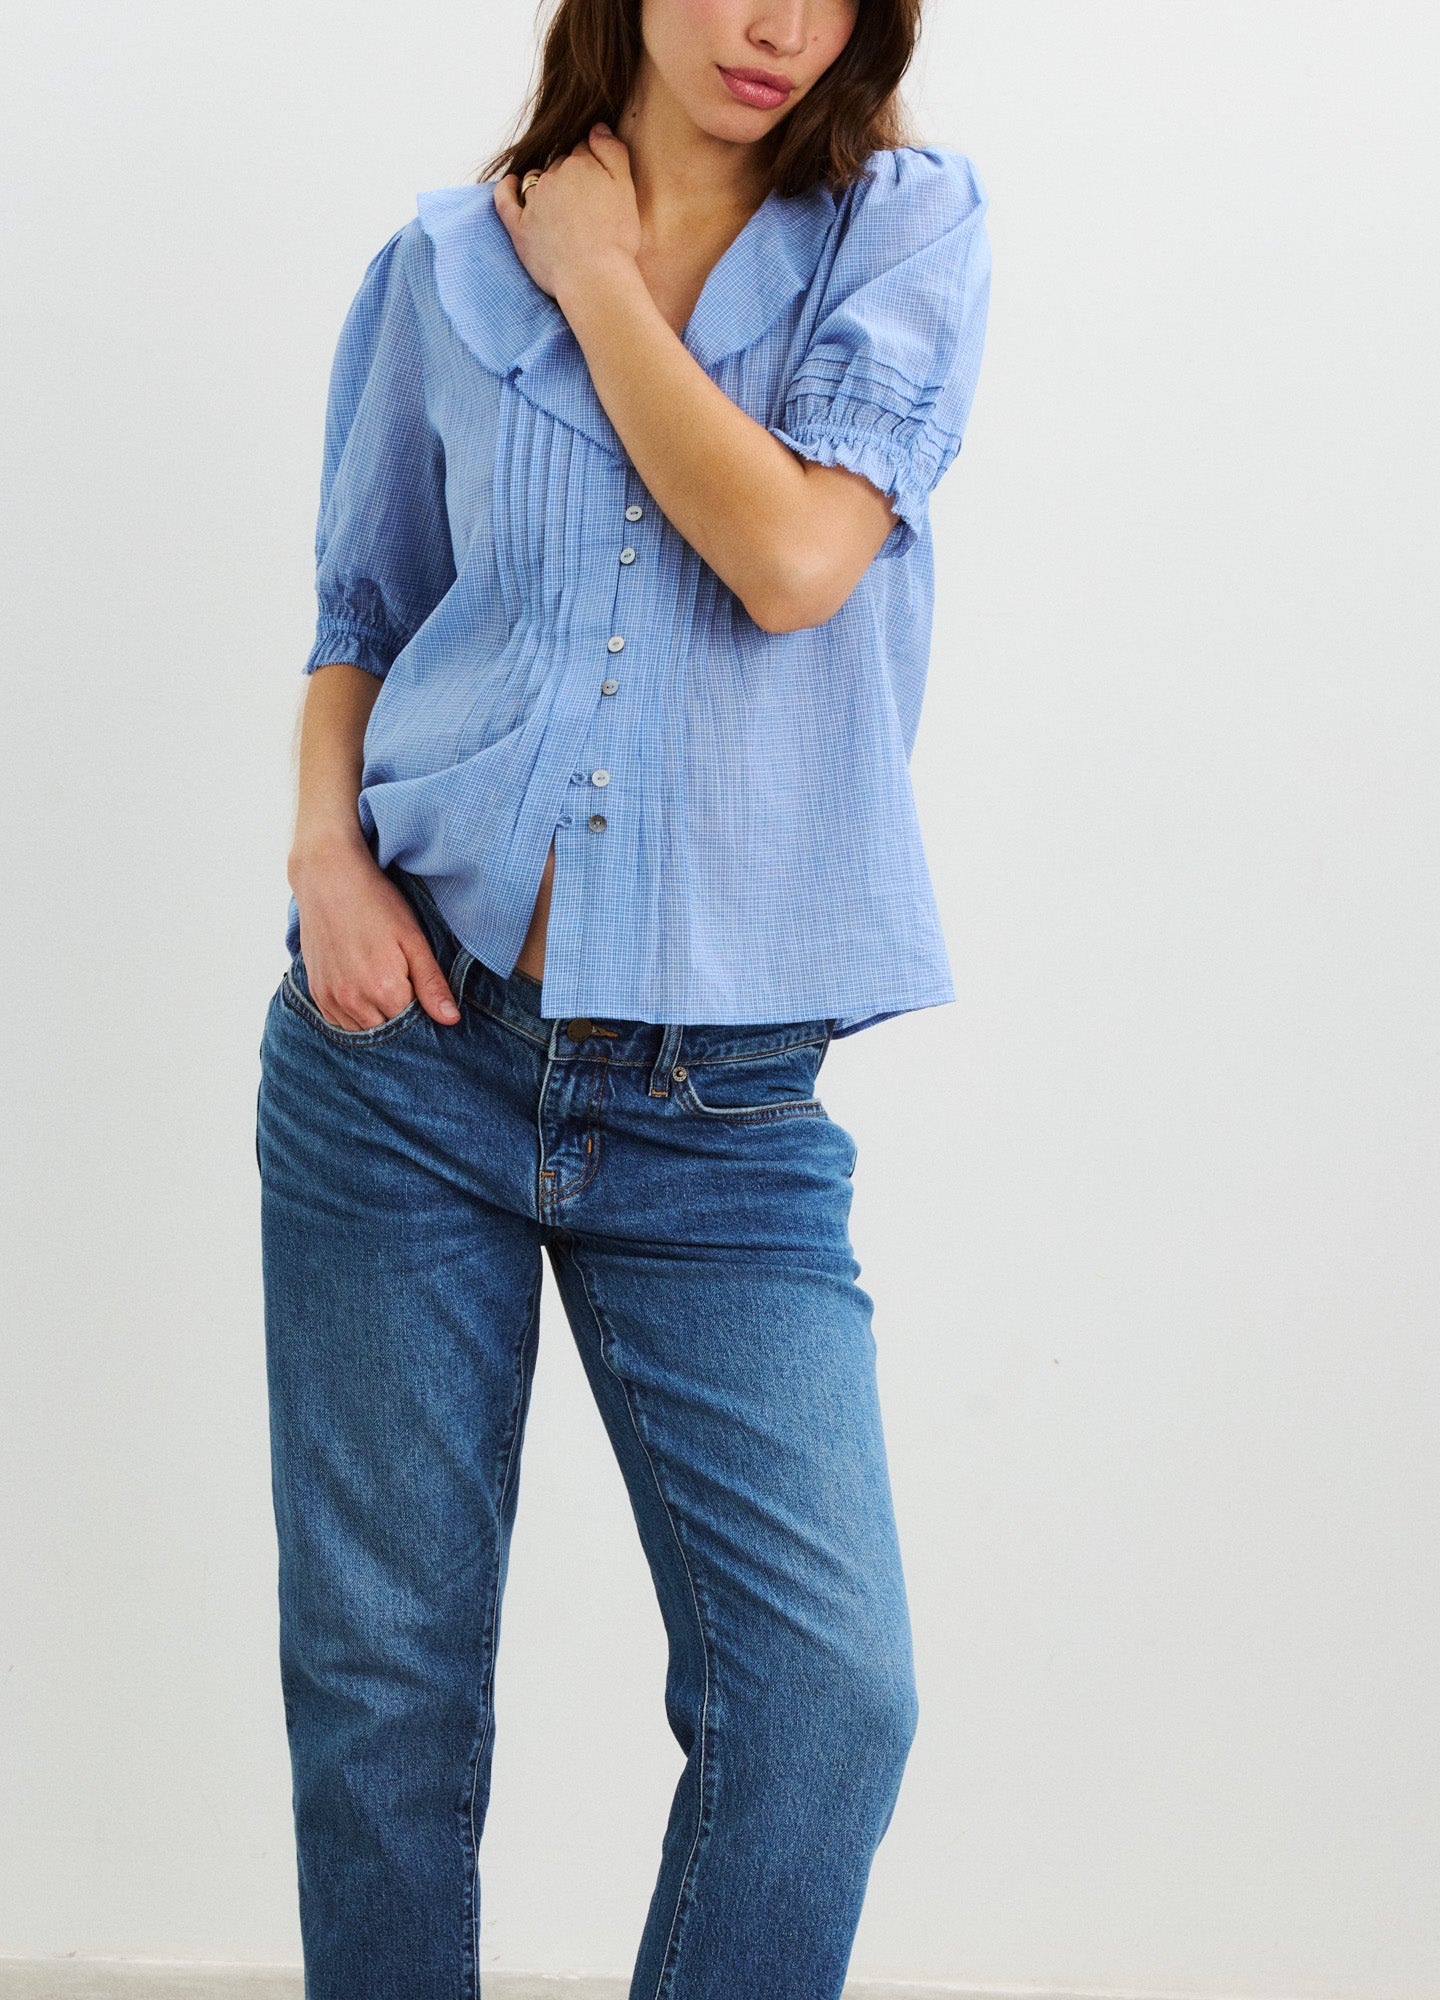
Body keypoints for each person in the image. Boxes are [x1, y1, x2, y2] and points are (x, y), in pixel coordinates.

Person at [255, 0, 990, 1993]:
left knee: (832, 1696)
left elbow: (789, 557)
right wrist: (325, 849)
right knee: (383, 1693)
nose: (777, 22)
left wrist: (594, 286)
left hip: (719, 1114)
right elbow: (364, 614)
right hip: (401, 1048)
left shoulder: (900, 234)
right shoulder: (434, 262)